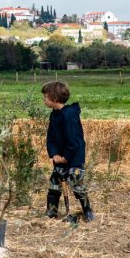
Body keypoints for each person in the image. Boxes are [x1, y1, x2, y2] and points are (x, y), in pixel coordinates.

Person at [41, 81, 95, 221]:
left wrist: (65, 157)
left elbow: (74, 140)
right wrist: (54, 154)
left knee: (76, 183)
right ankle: (51, 211)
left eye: (45, 96)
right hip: (60, 157)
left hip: (74, 157)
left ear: (54, 98)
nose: (44, 99)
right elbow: (50, 138)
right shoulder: (54, 115)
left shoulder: (69, 115)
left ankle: (87, 210)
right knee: (54, 184)